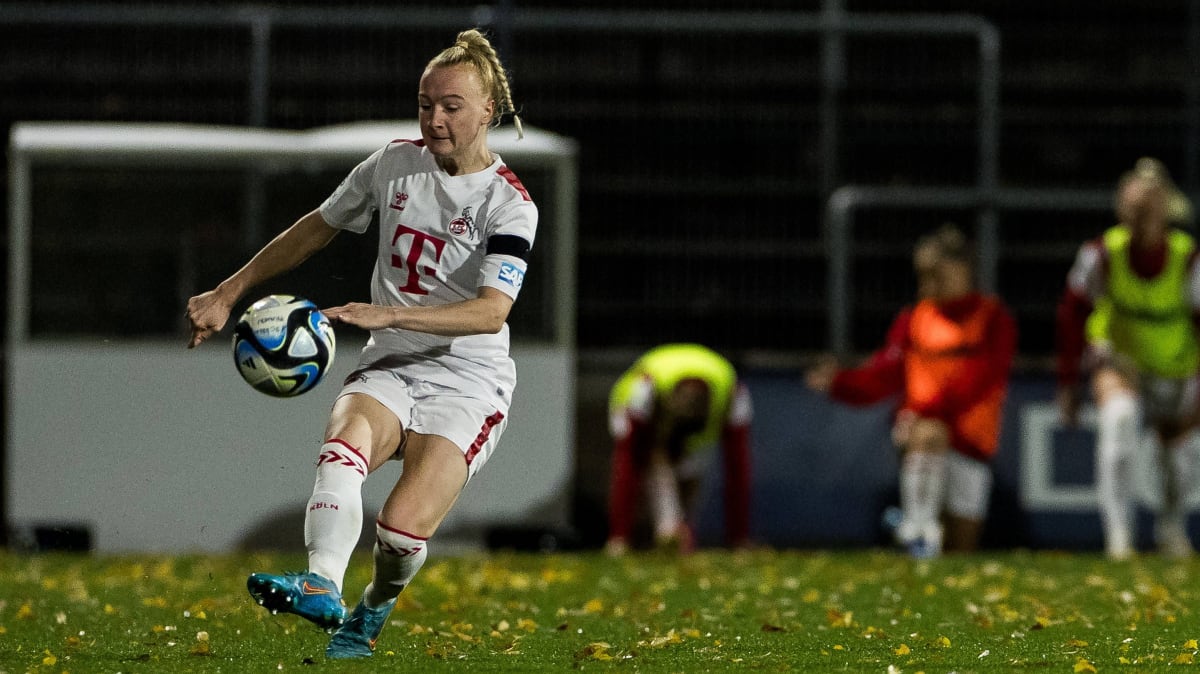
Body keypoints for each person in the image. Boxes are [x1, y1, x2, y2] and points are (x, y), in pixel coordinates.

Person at [185, 29, 536, 659]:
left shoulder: (510, 205)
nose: (434, 118)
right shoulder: (392, 164)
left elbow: (491, 313)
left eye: (451, 106)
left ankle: (372, 606)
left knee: (399, 535)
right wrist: (228, 290)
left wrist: (387, 311)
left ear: (489, 111)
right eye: (425, 103)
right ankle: (321, 581)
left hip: (469, 381)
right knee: (343, 446)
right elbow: (315, 230)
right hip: (390, 365)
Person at [808, 225, 1017, 557]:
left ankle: (923, 534)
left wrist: (934, 409)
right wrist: (841, 383)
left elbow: (983, 378)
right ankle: (918, 530)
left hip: (972, 438)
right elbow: (886, 373)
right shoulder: (914, 318)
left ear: (965, 269)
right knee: (928, 434)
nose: (928, 286)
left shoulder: (992, 318)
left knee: (960, 547)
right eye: (922, 276)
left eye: (937, 275)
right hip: (923, 429)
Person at [1056, 157, 1199, 560]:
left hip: (1177, 368)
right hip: (1122, 362)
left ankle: (1171, 528)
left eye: (1151, 207)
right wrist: (1068, 382)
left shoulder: (1188, 259)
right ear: (1121, 208)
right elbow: (1071, 314)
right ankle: (1118, 538)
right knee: (1118, 423)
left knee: (1180, 454)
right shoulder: (1100, 253)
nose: (1142, 215)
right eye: (1134, 206)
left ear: (1168, 209)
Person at [604, 343, 753, 555]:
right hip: (637, 417)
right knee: (652, 472)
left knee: (689, 476)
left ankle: (677, 532)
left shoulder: (732, 393)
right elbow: (629, 462)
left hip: (695, 433)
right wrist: (619, 536)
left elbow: (738, 468)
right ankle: (649, 532)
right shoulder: (643, 390)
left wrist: (739, 538)